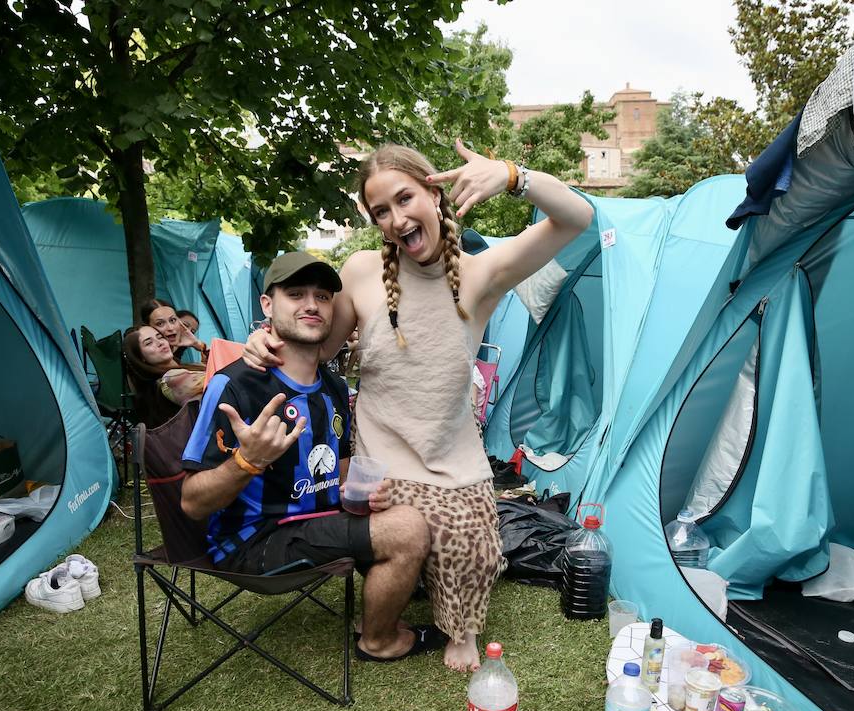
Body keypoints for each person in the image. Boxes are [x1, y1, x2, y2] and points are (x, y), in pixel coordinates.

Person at [244, 141, 593, 671]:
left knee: (474, 547)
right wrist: (265, 339)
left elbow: (577, 218)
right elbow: (319, 350)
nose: (397, 219)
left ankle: (459, 627)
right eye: (381, 211)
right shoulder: (362, 271)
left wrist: (511, 176)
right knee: (410, 533)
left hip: (453, 455)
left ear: (434, 194)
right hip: (382, 458)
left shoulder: (482, 274)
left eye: (404, 199)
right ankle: (394, 586)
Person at [180, 252, 442, 662]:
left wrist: (369, 491)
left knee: (409, 502)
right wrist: (248, 462)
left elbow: (340, 471)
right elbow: (192, 503)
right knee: (406, 529)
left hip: (315, 522)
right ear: (267, 305)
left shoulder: (333, 388)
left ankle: (391, 601)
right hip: (254, 541)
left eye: (322, 297)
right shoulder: (235, 386)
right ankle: (379, 641)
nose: (311, 305)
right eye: (296, 294)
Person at [123, 325, 207, 429]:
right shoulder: (171, 379)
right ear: (141, 358)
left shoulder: (184, 368)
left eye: (160, 337)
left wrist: (197, 344)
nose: (160, 343)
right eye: (149, 343)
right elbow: (218, 379)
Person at [142, 299, 209, 364]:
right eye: (160, 323)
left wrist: (197, 344)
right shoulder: (154, 357)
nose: (170, 328)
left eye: (172, 320)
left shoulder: (181, 346)